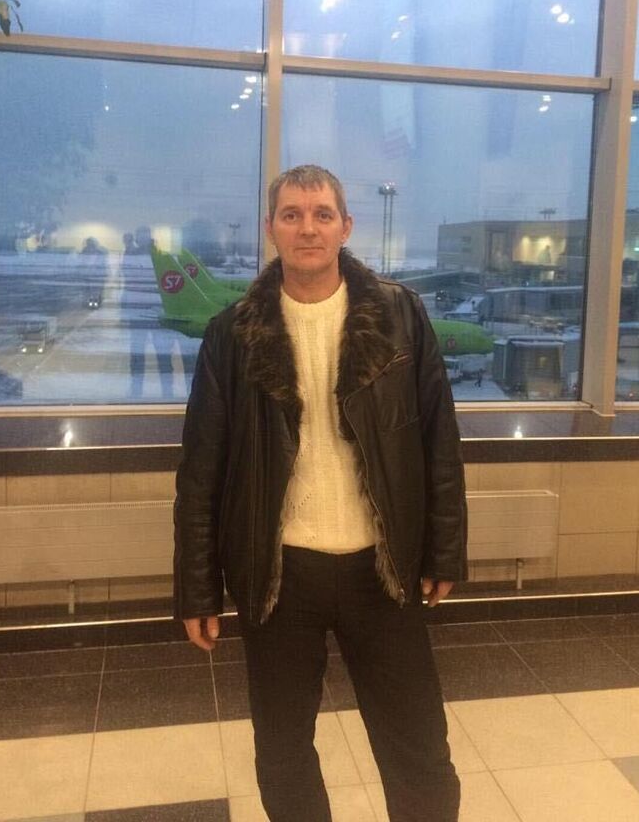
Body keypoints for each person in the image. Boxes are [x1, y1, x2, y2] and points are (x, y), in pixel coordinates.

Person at [174, 165, 468, 822]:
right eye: (292, 214)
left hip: (382, 569)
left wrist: (444, 550)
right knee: (283, 754)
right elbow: (201, 472)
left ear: (345, 227)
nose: (307, 228)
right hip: (279, 574)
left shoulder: (399, 315)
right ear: (271, 227)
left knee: (420, 749)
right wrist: (197, 588)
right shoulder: (231, 334)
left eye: (321, 214)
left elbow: (438, 440)